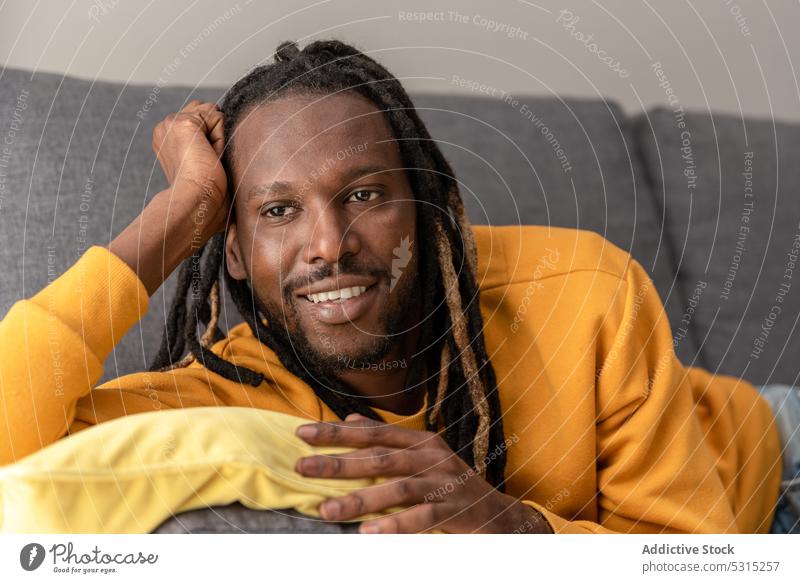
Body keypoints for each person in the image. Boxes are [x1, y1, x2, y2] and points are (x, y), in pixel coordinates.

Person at [0, 39, 794, 534]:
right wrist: (181, 212)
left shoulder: (583, 287)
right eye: (278, 210)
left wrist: (519, 531)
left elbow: (701, 559)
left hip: (766, 473)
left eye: (365, 195)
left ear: (422, 204)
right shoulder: (220, 401)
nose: (328, 245)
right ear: (232, 250)